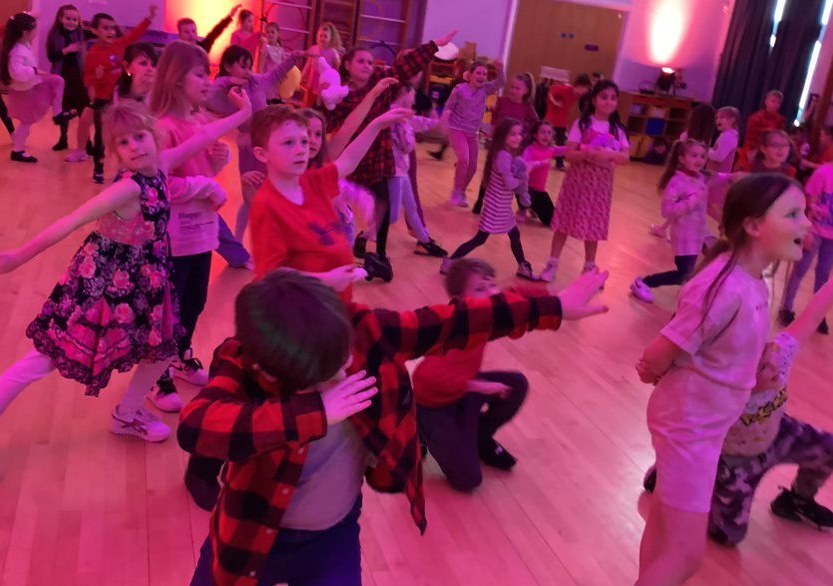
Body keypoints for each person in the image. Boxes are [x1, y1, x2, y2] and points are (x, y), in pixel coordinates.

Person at [180, 265, 609, 585]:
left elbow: (454, 320)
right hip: (249, 528)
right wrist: (316, 412)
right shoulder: (242, 360)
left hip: (332, 533)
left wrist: (552, 306)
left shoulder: (366, 330)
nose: (347, 366)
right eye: (326, 371)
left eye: (345, 353)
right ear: (266, 365)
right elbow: (196, 425)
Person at [0, 88, 252, 442]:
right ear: (114, 151)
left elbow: (206, 135)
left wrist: (244, 112)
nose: (134, 146)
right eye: (122, 143)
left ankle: (127, 414)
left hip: (144, 279)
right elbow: (71, 221)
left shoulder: (161, 165)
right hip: (102, 284)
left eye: (139, 136)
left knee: (164, 346)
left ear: (154, 135)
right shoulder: (127, 189)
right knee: (49, 356)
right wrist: (16, 257)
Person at [634, 174, 811, 585]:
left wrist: (753, 371)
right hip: (689, 428)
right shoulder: (723, 286)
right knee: (685, 555)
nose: (806, 225)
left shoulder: (753, 281)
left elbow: (724, 348)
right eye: (792, 214)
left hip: (705, 426)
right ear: (752, 225)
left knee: (664, 533)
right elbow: (662, 348)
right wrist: (651, 368)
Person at [643, 277, 833, 546]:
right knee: (728, 534)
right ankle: (667, 473)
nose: (767, 362)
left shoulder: (779, 353)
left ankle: (795, 501)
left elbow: (812, 316)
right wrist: (753, 389)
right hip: (730, 460)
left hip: (775, 435)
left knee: (828, 448)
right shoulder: (718, 383)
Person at [144, 41, 242, 413]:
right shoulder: (163, 128)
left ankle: (181, 354)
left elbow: (202, 173)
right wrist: (204, 185)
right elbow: (157, 185)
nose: (207, 80)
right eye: (200, 73)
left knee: (196, 300)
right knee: (170, 305)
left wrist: (217, 162)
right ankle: (157, 374)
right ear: (176, 77)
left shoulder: (199, 121)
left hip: (202, 231)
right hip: (173, 236)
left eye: (208, 73)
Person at [328, 31, 456, 282]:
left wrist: (433, 46)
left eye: (369, 61)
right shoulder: (341, 95)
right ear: (347, 65)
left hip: (380, 158)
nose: (367, 65)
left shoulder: (381, 80)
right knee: (342, 212)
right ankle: (337, 254)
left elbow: (405, 66)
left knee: (385, 206)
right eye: (361, 61)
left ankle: (381, 254)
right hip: (351, 162)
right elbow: (329, 125)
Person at [415, 258, 532, 491]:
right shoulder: (454, 329)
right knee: (468, 480)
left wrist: (559, 300)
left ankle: (479, 435)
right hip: (432, 406)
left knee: (517, 384)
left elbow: (517, 295)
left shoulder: (485, 315)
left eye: (492, 285)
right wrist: (475, 386)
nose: (491, 293)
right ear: (460, 301)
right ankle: (418, 429)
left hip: (462, 391)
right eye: (480, 289)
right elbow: (423, 378)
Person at [207, 45, 304, 241]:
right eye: (243, 66)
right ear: (228, 66)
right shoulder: (223, 91)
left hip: (270, 145)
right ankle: (239, 239)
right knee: (250, 197)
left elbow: (276, 74)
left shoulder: (256, 83)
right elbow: (208, 96)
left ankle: (273, 239)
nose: (248, 71)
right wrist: (227, 80)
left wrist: (295, 56)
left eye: (249, 66)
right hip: (249, 147)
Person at [539, 80, 630, 282]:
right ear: (594, 100)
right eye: (604, 97)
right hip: (578, 182)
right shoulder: (582, 124)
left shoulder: (618, 129)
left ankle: (589, 268)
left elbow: (626, 158)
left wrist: (609, 154)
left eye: (613, 98)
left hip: (601, 186)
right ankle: (552, 263)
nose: (608, 102)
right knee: (564, 223)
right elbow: (570, 155)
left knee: (594, 226)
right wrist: (587, 150)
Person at [631, 140, 730, 303]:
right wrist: (693, 200)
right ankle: (644, 282)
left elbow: (719, 177)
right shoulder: (676, 182)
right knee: (683, 274)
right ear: (682, 158)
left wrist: (737, 176)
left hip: (699, 233)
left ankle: (701, 293)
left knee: (717, 258)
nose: (699, 160)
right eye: (694, 155)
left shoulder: (701, 176)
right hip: (684, 236)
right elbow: (667, 211)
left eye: (703, 156)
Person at [441, 118, 539, 280]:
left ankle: (522, 265)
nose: (518, 137)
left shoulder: (506, 154)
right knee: (480, 239)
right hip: (496, 207)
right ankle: (450, 261)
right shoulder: (503, 156)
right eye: (512, 134)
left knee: (513, 235)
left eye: (519, 134)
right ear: (502, 137)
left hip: (502, 206)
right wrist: (525, 175)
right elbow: (509, 184)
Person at [82, 7, 156, 183]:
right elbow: (87, 78)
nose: (110, 31)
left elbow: (135, 34)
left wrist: (149, 18)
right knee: (101, 135)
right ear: (94, 31)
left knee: (127, 132)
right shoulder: (93, 54)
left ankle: (127, 166)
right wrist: (96, 78)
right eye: (105, 28)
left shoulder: (120, 45)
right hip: (103, 100)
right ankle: (98, 167)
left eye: (112, 28)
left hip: (121, 96)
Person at [0, 12, 77, 163]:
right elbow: (17, 73)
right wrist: (34, 71)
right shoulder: (17, 51)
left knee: (58, 81)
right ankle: (18, 150)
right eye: (34, 29)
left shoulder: (22, 45)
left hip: (31, 84)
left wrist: (30, 15)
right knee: (26, 123)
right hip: (25, 90)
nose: (36, 32)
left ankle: (57, 114)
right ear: (25, 32)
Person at [388, 84, 447, 257]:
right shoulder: (395, 115)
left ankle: (425, 241)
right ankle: (365, 236)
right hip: (395, 171)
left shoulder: (402, 114)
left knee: (411, 206)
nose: (414, 99)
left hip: (401, 169)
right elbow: (406, 144)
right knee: (392, 215)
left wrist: (438, 123)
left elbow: (418, 122)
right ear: (404, 93)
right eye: (413, 94)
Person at [473, 72, 539, 215]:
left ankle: (522, 206)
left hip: (515, 149)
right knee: (489, 172)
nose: (513, 91)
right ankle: (480, 201)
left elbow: (535, 124)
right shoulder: (502, 101)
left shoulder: (527, 107)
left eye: (518, 88)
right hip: (497, 145)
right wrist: (492, 130)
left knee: (514, 174)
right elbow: (495, 116)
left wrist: (523, 136)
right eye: (512, 87)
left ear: (526, 91)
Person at [779, 159, 833, 332]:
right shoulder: (823, 173)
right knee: (801, 268)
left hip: (831, 236)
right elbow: (808, 201)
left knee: (823, 275)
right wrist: (807, 230)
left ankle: (817, 314)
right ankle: (786, 307)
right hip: (815, 229)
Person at [442, 60, 505, 207]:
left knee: (473, 166)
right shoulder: (459, 89)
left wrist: (500, 69)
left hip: (473, 133)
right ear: (469, 75)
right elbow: (449, 106)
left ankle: (462, 192)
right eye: (478, 73)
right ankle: (456, 191)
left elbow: (500, 83)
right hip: (457, 129)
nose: (482, 76)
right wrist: (445, 118)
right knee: (464, 159)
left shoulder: (485, 89)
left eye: (485, 74)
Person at [46, 4, 88, 153]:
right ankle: (63, 139)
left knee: (83, 109)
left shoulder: (80, 34)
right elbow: (51, 57)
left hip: (78, 77)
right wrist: (66, 50)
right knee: (62, 108)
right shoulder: (54, 35)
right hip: (61, 76)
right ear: (60, 18)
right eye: (68, 18)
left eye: (74, 19)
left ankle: (86, 141)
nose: (71, 22)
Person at [518, 120, 566, 226]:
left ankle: (533, 206)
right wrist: (539, 163)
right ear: (535, 135)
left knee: (551, 221)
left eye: (549, 133)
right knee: (527, 195)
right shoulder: (530, 149)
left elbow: (565, 150)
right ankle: (522, 210)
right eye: (543, 132)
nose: (546, 135)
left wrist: (580, 146)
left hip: (540, 191)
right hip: (526, 188)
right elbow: (524, 166)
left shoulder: (551, 149)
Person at [545, 74, 592, 171]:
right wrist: (555, 102)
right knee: (546, 142)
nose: (585, 91)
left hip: (561, 122)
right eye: (585, 89)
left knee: (561, 143)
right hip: (551, 120)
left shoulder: (577, 96)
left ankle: (559, 164)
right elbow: (551, 90)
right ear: (579, 86)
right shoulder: (565, 89)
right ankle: (542, 160)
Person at [738, 89, 785, 170]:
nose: (776, 105)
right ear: (766, 101)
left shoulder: (780, 119)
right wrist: (753, 151)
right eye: (773, 101)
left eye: (778, 102)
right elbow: (750, 138)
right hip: (753, 150)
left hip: (770, 153)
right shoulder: (755, 118)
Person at [300, 21, 342, 107]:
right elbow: (308, 65)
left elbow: (337, 70)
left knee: (321, 106)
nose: (322, 38)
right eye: (320, 36)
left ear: (331, 38)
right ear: (317, 36)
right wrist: (302, 76)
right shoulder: (313, 49)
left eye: (325, 36)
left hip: (325, 85)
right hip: (312, 83)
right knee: (308, 104)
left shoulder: (333, 53)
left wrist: (336, 85)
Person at [177, 3, 241, 54]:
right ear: (180, 35)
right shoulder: (175, 50)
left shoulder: (203, 47)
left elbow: (215, 32)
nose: (191, 35)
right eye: (186, 32)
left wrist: (230, 16)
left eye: (193, 31)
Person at [260, 21, 285, 104]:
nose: (270, 34)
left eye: (272, 32)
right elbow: (260, 66)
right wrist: (260, 80)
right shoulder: (265, 48)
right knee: (269, 102)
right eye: (268, 32)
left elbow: (281, 65)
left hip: (277, 81)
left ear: (278, 34)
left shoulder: (280, 48)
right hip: (268, 80)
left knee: (277, 102)